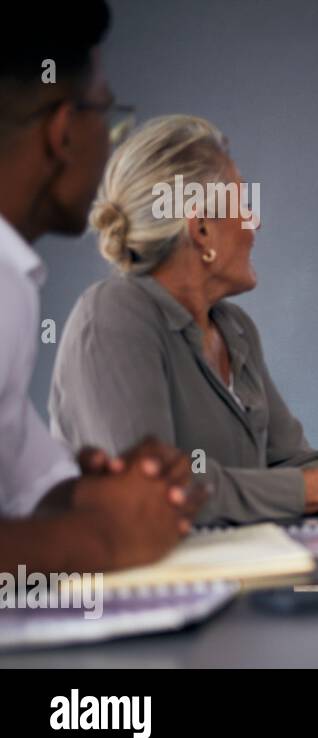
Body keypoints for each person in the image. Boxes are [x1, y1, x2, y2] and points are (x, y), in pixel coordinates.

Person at [50, 114, 318, 525]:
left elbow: (286, 463)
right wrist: (317, 488)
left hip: (241, 575)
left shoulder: (234, 329)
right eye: (243, 204)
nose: (255, 223)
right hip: (148, 587)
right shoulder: (114, 316)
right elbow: (153, 494)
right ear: (200, 229)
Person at [0, 0, 202, 571]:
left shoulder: (13, 280)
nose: (110, 142)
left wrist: (104, 494)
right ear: (64, 131)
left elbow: (30, 488)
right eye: (107, 118)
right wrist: (104, 540)